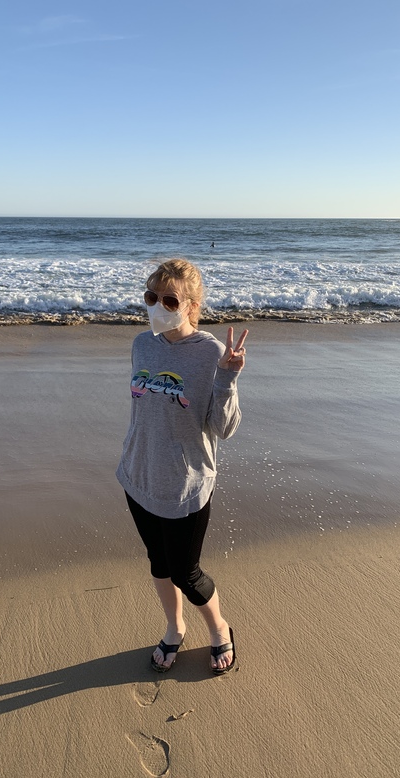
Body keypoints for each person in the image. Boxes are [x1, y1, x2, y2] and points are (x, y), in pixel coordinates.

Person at [116, 259, 248, 675]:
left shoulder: (210, 353)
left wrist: (227, 378)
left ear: (191, 306)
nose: (157, 305)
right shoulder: (142, 343)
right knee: (158, 563)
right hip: (138, 475)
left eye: (168, 299)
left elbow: (222, 428)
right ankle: (175, 629)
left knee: (187, 574)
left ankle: (219, 628)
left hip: (185, 483)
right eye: (151, 297)